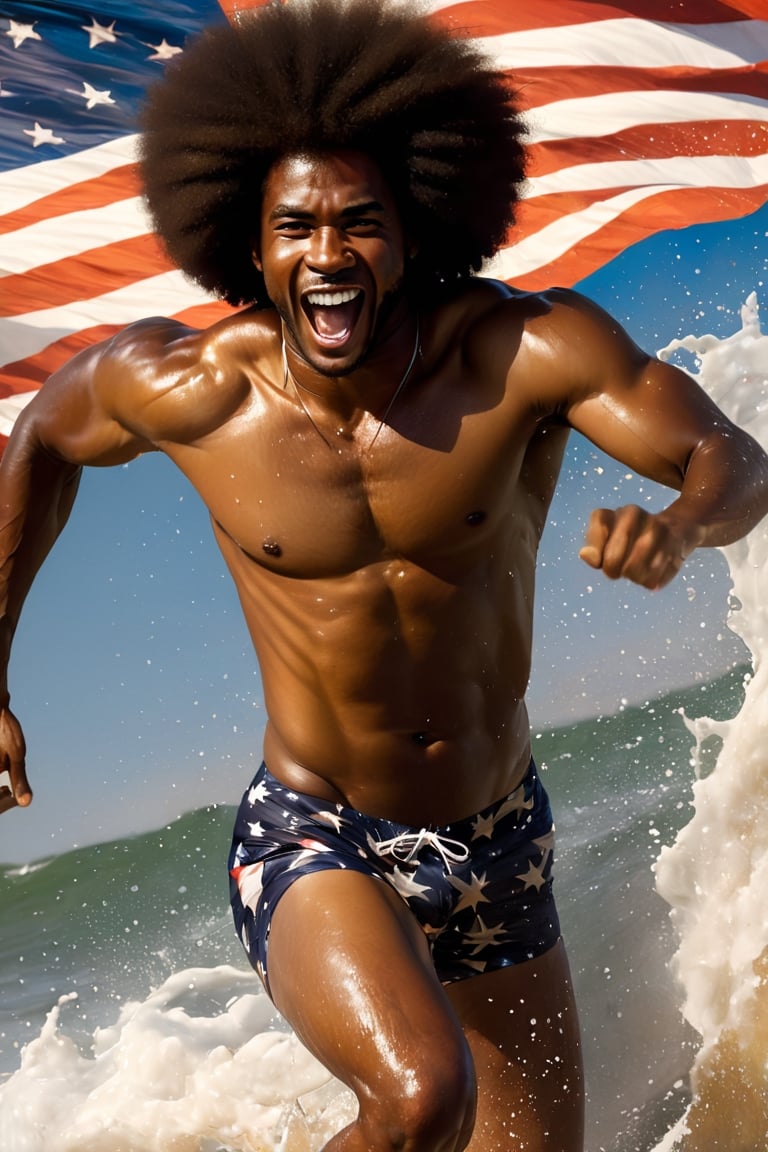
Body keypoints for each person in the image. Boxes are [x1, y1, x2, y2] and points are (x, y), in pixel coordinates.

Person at [1, 1, 766, 1148]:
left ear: (412, 233)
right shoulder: (190, 389)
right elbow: (41, 443)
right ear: (249, 250)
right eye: (296, 228)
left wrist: (684, 523)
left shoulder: (521, 353)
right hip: (318, 833)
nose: (327, 255)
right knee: (421, 1098)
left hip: (500, 836)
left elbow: (730, 456)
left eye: (360, 223)